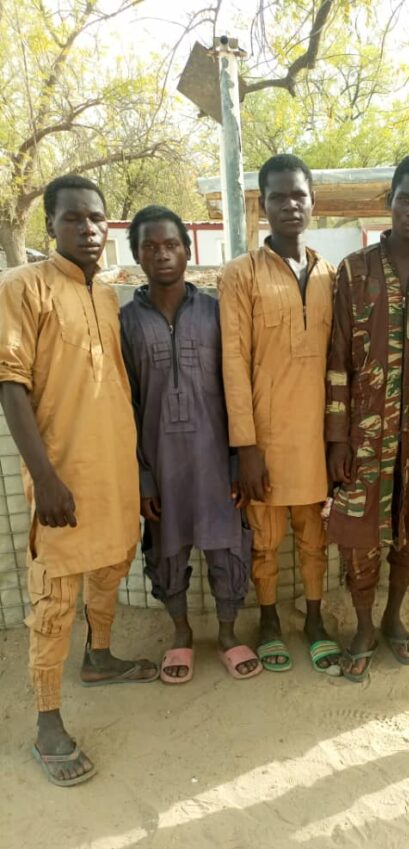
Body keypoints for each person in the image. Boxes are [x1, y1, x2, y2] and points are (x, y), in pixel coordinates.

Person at [0, 175, 158, 787]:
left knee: (112, 565)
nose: (89, 230)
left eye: (97, 219)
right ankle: (46, 721)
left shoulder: (106, 297)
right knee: (55, 594)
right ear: (51, 227)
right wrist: (46, 479)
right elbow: (11, 384)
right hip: (62, 478)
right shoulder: (23, 288)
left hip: (115, 473)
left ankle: (99, 656)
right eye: (74, 219)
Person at [326, 152, 409, 681]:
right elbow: (337, 358)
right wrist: (336, 439)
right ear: (390, 201)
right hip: (364, 434)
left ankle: (393, 617)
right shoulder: (353, 272)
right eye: (405, 198)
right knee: (359, 531)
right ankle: (361, 624)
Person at [120, 206, 256, 683]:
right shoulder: (126, 322)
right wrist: (142, 476)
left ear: (188, 249)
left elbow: (239, 390)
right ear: (136, 254)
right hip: (160, 462)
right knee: (167, 550)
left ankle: (226, 633)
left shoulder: (218, 312)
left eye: (171, 244)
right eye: (151, 246)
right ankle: (180, 633)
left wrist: (240, 462)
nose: (162, 254)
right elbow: (127, 405)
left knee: (227, 546)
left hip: (215, 459)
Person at [218, 154, 340, 674]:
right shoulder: (239, 275)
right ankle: (268, 619)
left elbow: (342, 361)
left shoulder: (331, 274)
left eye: (299, 195)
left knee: (315, 537)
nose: (290, 204)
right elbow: (232, 363)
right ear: (262, 205)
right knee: (265, 540)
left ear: (313, 201)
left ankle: (314, 619)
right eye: (277, 196)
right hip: (265, 440)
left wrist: (339, 439)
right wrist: (245, 448)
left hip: (316, 438)